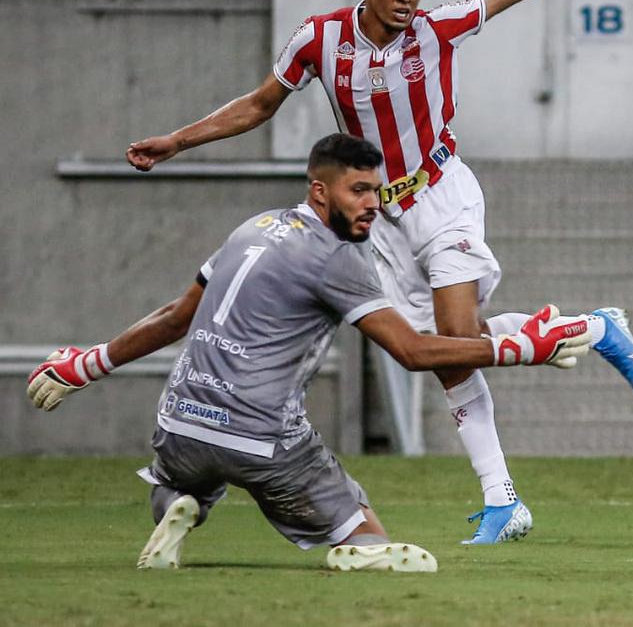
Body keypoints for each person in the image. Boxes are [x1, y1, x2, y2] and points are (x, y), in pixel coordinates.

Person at [123, 0, 633, 543]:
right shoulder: (319, 40)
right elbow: (261, 104)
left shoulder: (437, 31)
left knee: (455, 338)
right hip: (382, 220)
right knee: (448, 350)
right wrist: (177, 140)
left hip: (442, 194)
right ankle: (591, 328)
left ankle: (502, 498)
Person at [26, 133, 599, 572]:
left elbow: (175, 318)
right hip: (262, 439)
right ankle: (355, 547)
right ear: (319, 191)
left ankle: (182, 505)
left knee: (184, 480)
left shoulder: (252, 226)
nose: (372, 204)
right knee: (369, 531)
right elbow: (413, 351)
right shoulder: (339, 258)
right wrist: (521, 347)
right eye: (359, 191)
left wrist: (91, 363)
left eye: (377, 190)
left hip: (179, 425)